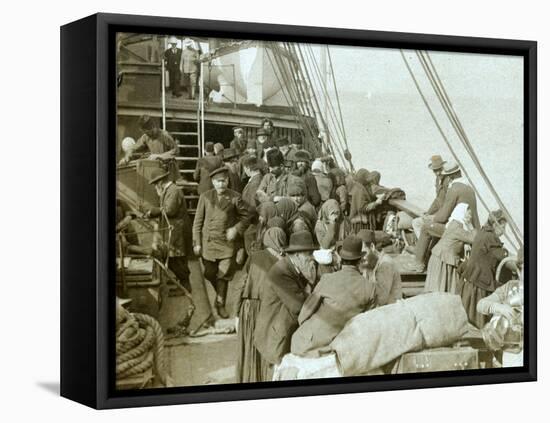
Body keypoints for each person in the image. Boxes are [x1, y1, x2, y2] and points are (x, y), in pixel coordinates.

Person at [290, 235, 377, 357]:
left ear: (341, 259)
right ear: (360, 260)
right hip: (339, 348)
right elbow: (366, 325)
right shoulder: (370, 288)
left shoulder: (327, 279)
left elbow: (304, 313)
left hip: (306, 344)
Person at [254, 230, 317, 380]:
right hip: (275, 336)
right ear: (296, 255)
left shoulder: (292, 267)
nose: (312, 259)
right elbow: (299, 306)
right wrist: (311, 282)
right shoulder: (281, 272)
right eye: (308, 254)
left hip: (282, 331)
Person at [192, 166, 250, 319]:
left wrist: (236, 229)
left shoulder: (235, 197)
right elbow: (197, 223)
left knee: (223, 276)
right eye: (218, 182)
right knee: (209, 273)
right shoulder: (205, 197)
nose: (221, 185)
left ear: (228, 181)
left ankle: (220, 304)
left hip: (226, 245)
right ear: (212, 182)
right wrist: (197, 243)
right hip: (208, 244)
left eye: (224, 181)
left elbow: (247, 217)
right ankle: (219, 292)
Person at [236, 228, 287, 383]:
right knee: (263, 347)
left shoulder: (254, 256)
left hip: (247, 308)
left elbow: (241, 284)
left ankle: (248, 380)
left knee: (248, 347)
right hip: (266, 310)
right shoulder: (281, 263)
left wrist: (236, 313)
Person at [411, 161, 480, 272]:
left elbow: (442, 217)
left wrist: (431, 218)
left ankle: (419, 264)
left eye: (446, 177)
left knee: (426, 228)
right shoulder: (469, 188)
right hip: (470, 230)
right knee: (435, 227)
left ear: (450, 177)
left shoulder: (454, 189)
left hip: (458, 230)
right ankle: (428, 256)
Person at [456, 210, 508, 328]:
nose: (504, 231)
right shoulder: (491, 237)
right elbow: (501, 255)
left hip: (472, 277)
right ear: (495, 225)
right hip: (480, 280)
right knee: (479, 316)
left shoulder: (483, 232)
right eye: (503, 227)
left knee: (469, 311)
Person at [146, 168, 193, 293]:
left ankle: (185, 286)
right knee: (178, 258)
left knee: (174, 258)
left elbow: (170, 210)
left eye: (156, 183)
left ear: (161, 181)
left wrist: (152, 212)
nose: (155, 186)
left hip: (178, 230)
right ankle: (183, 283)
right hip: (176, 229)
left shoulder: (174, 191)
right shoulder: (169, 190)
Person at [477, 247, 524, 367]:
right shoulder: (509, 287)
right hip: (512, 353)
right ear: (519, 270)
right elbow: (481, 304)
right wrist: (499, 307)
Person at [424, 203, 476, 294]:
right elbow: (474, 239)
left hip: (440, 257)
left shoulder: (453, 224)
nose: (470, 217)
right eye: (468, 214)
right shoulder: (457, 228)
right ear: (462, 214)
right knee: (441, 291)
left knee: (440, 289)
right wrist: (470, 225)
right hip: (443, 260)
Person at [357, 229, 402, 306]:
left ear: (372, 247)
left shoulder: (385, 264)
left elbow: (381, 299)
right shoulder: (369, 263)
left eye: (363, 253)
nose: (361, 258)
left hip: (391, 311)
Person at [411, 155, 449, 239]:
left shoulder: (447, 180)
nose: (438, 173)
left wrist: (437, 216)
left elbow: (448, 202)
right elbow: (437, 200)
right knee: (422, 219)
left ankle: (422, 247)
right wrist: (429, 212)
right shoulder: (438, 180)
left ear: (443, 168)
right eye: (435, 171)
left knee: (416, 223)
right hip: (441, 214)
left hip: (445, 216)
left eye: (439, 170)